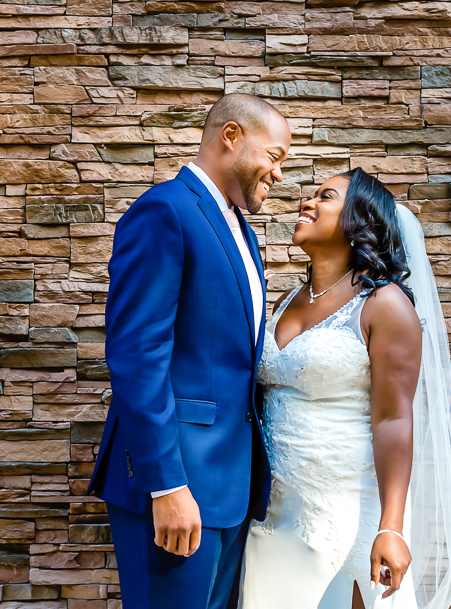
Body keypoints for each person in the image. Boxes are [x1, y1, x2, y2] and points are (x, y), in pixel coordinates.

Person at [87, 93, 292, 609]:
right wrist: (166, 485)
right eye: (275, 156)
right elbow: (138, 353)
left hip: (229, 488)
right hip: (179, 484)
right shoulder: (165, 211)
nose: (279, 174)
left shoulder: (241, 229)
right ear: (231, 137)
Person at [240, 168, 451, 609]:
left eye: (324, 197)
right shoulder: (288, 299)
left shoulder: (385, 306)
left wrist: (391, 527)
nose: (306, 202)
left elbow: (394, 418)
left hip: (345, 517)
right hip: (273, 517)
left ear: (358, 220)